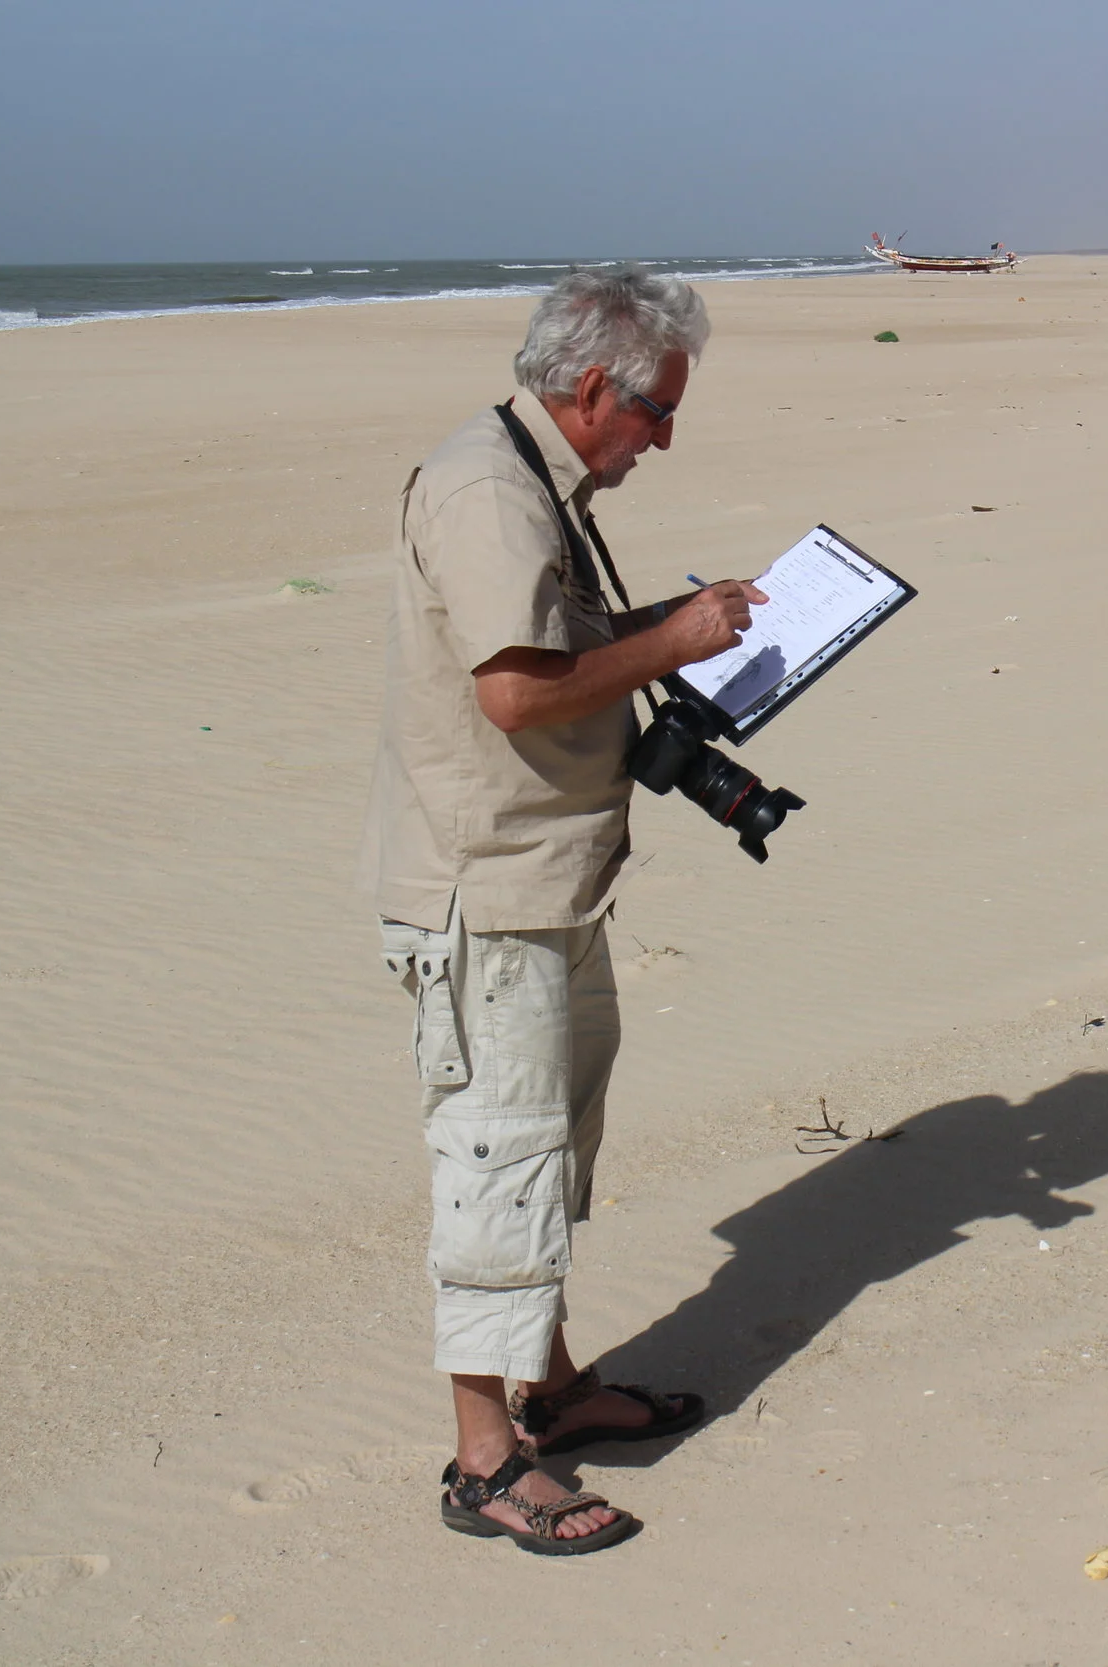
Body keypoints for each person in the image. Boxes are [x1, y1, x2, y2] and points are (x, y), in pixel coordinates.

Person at [357, 267, 768, 1554]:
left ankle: (554, 1385)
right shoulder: (487, 487)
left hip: (549, 878)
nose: (660, 436)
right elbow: (520, 693)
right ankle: (485, 1459)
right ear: (592, 388)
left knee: (546, 1145)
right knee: (500, 1158)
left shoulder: (534, 475)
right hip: (488, 894)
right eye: (654, 412)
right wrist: (680, 637)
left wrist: (689, 625)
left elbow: (559, 639)